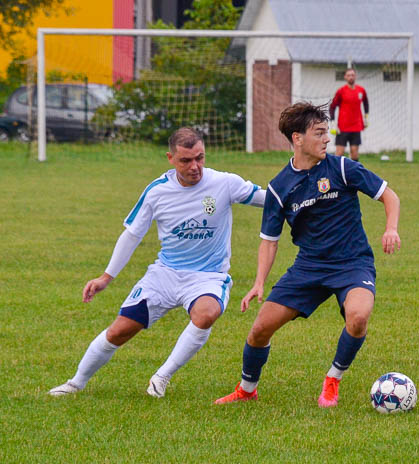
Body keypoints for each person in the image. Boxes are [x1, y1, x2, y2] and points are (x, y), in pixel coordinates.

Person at [49, 128, 266, 398]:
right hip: (164, 275)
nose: (195, 166)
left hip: (208, 277)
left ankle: (162, 376)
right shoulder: (157, 192)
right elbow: (132, 234)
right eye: (186, 161)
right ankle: (75, 383)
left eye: (200, 158)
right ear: (170, 158)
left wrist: (305, 200)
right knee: (119, 331)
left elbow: (270, 200)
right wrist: (106, 277)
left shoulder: (224, 183)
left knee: (206, 314)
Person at [214, 102, 400, 407]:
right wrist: (260, 281)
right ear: (297, 138)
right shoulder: (279, 187)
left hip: (353, 264)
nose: (327, 139)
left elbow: (389, 196)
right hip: (309, 268)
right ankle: (247, 389)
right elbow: (269, 241)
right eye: (319, 133)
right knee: (260, 329)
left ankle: (332, 380)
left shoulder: (342, 167)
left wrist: (391, 228)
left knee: (358, 317)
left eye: (327, 132)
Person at [329, 68, 369, 161]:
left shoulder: (361, 90)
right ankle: (336, 174)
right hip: (343, 127)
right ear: (345, 77)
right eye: (348, 75)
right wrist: (333, 122)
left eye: (352, 75)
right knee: (339, 153)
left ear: (355, 76)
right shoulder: (341, 91)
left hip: (356, 126)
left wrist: (366, 117)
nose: (351, 77)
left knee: (354, 153)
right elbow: (332, 107)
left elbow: (366, 103)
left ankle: (352, 174)